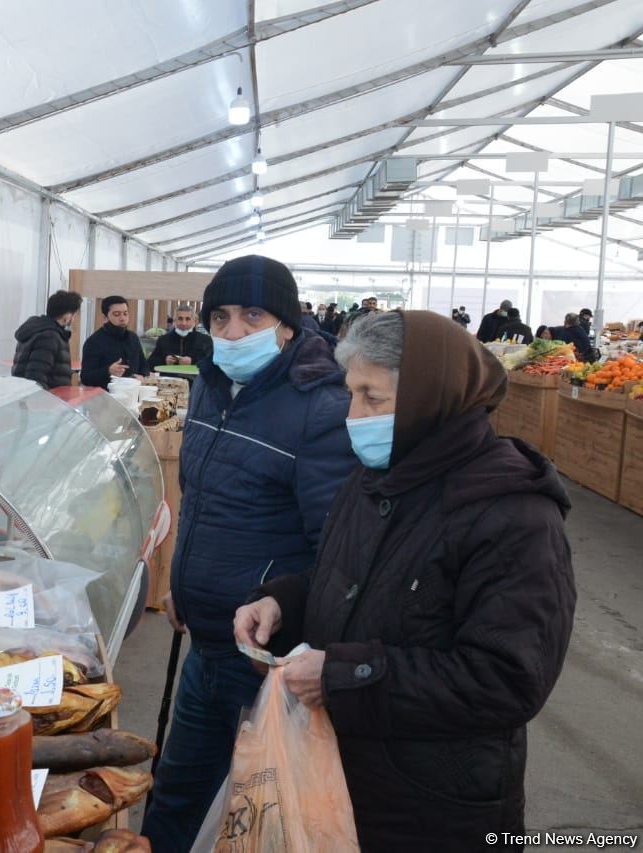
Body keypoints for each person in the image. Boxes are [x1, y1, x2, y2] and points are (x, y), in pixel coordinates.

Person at [233, 310, 575, 852]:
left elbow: (507, 679)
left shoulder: (512, 512)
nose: (353, 415)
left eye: (372, 398)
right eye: (351, 394)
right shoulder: (376, 476)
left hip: (435, 810)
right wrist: (282, 603)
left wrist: (343, 676)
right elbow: (348, 578)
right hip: (344, 781)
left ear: (428, 397)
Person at [141, 255, 356, 852]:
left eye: (252, 316)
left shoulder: (321, 408)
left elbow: (334, 549)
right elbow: (204, 499)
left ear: (286, 324)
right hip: (205, 642)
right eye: (221, 317)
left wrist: (287, 621)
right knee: (176, 794)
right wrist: (182, 579)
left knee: (253, 811)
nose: (233, 331)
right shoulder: (210, 387)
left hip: (263, 654)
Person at [12, 289, 83, 390]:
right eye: (73, 314)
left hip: (27, 393)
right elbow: (36, 376)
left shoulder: (35, 329)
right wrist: (45, 399)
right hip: (47, 397)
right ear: (67, 316)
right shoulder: (49, 336)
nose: (74, 319)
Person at [80, 295, 148, 388]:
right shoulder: (94, 342)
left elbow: (144, 365)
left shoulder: (133, 338)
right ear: (105, 318)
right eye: (117, 314)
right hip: (106, 394)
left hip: (132, 392)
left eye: (125, 314)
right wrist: (108, 371)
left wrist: (142, 375)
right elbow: (85, 377)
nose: (122, 318)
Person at [147, 304, 212, 372]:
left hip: (194, 378)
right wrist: (165, 360)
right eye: (180, 319)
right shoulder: (163, 340)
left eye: (187, 319)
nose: (184, 323)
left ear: (194, 321)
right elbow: (150, 364)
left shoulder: (205, 340)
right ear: (174, 321)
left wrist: (192, 361)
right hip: (169, 378)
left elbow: (212, 364)